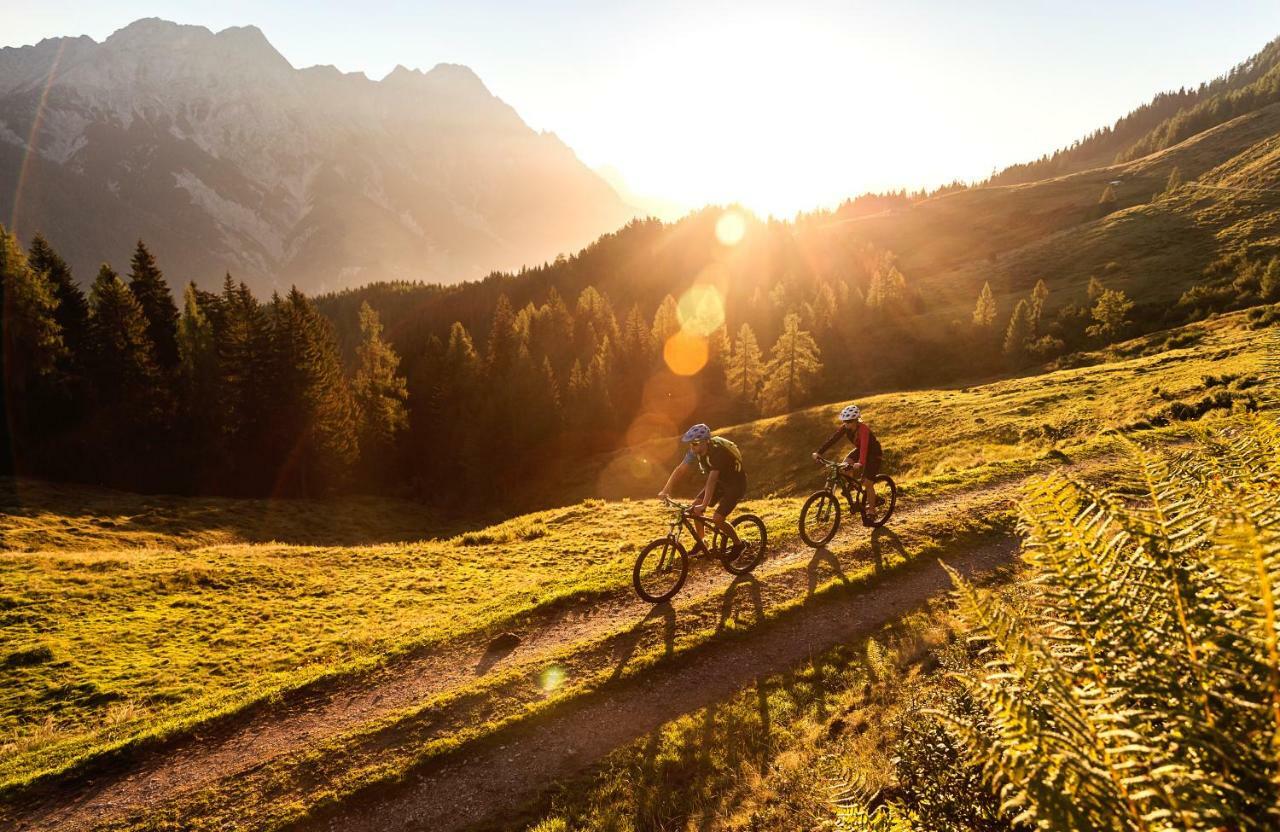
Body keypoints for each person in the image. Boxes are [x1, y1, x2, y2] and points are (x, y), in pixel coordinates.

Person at [658, 423, 746, 558]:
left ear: (706, 441)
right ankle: (702, 542)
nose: (692, 446)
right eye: (691, 443)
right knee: (694, 508)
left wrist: (704, 505)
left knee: (717, 519)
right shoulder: (695, 452)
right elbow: (680, 469)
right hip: (720, 483)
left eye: (695, 443)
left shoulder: (718, 453)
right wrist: (665, 490)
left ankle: (739, 544)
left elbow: (711, 480)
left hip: (735, 484)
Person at [812, 404, 883, 525]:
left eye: (849, 421)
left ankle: (872, 511)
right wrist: (819, 452)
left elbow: (865, 448)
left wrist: (860, 463)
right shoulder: (845, 428)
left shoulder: (863, 430)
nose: (847, 424)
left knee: (867, 483)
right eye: (845, 421)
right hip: (860, 450)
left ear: (856, 420)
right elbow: (833, 439)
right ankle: (853, 485)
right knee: (844, 466)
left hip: (874, 454)